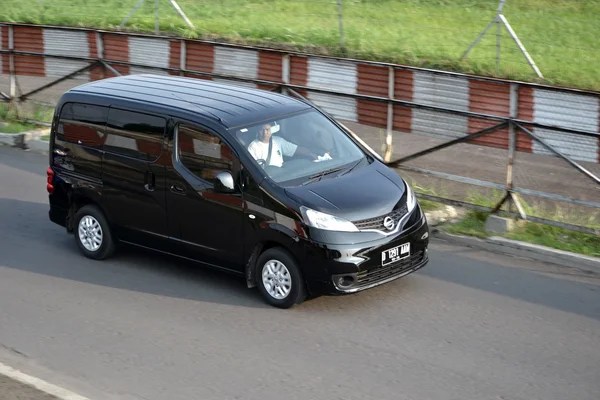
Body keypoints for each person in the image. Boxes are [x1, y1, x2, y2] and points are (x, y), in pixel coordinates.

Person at [247, 123, 320, 167]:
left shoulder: (277, 140)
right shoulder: (253, 147)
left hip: (282, 175)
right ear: (258, 131)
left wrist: (311, 154)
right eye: (262, 130)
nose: (265, 132)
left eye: (268, 129)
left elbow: (296, 149)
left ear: (271, 130)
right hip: (267, 180)